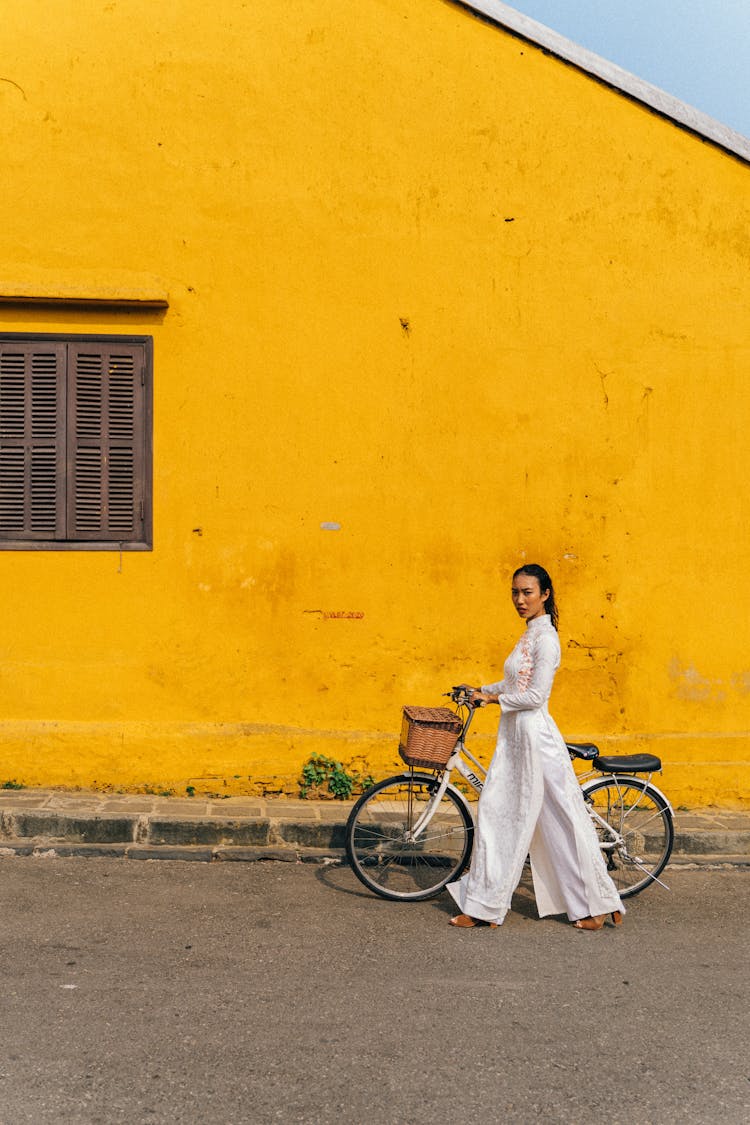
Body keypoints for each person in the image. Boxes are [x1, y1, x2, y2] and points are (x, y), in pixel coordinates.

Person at [446, 564, 624, 931]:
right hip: (516, 737)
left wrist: (493, 701)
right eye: (515, 592)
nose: (520, 600)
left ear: (545, 594)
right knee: (517, 818)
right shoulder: (529, 635)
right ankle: (594, 903)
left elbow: (536, 695)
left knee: (515, 818)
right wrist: (484, 690)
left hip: (534, 740)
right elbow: (514, 680)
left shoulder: (547, 639)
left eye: (527, 592)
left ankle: (594, 903)